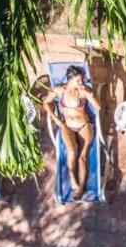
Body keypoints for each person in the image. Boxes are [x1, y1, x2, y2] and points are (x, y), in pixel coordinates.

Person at [43, 65, 100, 200]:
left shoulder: (82, 91)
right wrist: (56, 119)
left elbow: (98, 107)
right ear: (70, 79)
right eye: (78, 80)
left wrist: (90, 94)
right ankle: (73, 180)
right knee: (72, 151)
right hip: (67, 126)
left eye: (82, 80)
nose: (81, 82)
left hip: (84, 126)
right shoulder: (59, 90)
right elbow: (46, 103)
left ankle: (81, 188)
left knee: (82, 157)